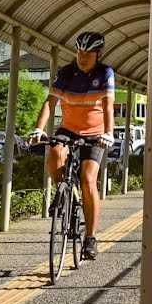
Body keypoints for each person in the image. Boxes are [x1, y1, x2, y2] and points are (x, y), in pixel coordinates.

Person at [29, 31, 115, 261]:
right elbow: (51, 102)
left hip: (95, 133)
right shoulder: (66, 73)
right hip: (68, 129)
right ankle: (62, 190)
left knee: (88, 179)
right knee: (55, 153)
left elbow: (108, 106)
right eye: (79, 52)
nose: (82, 57)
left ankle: (90, 238)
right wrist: (39, 129)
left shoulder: (105, 73)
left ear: (97, 54)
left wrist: (108, 133)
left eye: (87, 53)